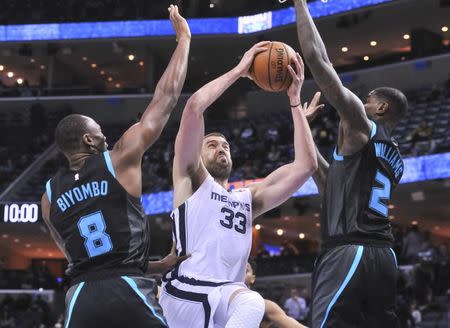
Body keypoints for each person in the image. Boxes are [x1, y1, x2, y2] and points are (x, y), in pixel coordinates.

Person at [40, 5, 190, 328]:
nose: (105, 137)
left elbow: (84, 260)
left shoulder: (48, 197)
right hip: (128, 290)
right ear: (88, 141)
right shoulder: (117, 158)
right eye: (99, 133)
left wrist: (158, 264)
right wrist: (184, 41)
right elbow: (165, 99)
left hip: (80, 298)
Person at [159, 42, 318, 328]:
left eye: (226, 145)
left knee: (250, 302)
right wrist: (240, 70)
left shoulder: (247, 200)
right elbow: (194, 106)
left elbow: (306, 166)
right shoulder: (190, 178)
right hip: (185, 291)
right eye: (211, 144)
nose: (221, 148)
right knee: (252, 301)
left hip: (222, 300)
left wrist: (294, 99)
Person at [292, 0, 408, 327]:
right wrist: (299, 121)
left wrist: (299, 4)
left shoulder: (361, 125)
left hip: (348, 252)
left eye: (369, 98)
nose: (363, 100)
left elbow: (317, 58)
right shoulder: (393, 156)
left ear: (381, 108)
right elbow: (323, 177)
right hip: (384, 257)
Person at [245, 260, 306, 328]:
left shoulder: (264, 305)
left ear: (253, 278)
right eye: (238, 270)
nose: (240, 274)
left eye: (245, 271)